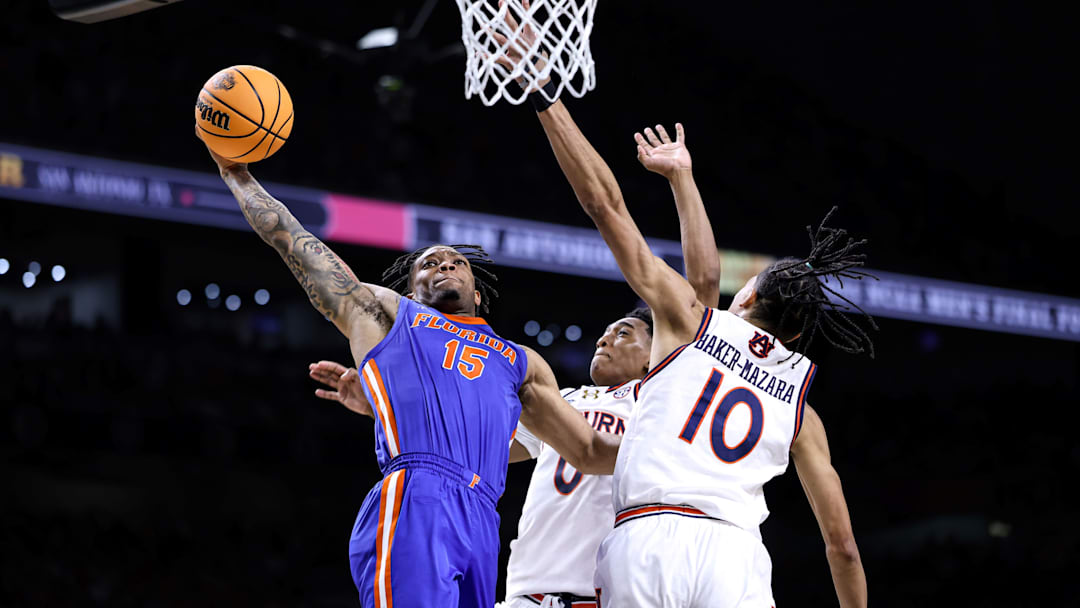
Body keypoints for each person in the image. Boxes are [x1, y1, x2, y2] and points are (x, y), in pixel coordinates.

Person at [196, 131, 621, 608]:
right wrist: (238, 178)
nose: (444, 264)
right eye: (429, 263)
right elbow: (298, 246)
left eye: (457, 262)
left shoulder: (522, 361)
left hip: (483, 517)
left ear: (477, 293)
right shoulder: (391, 316)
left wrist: (675, 450)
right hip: (418, 494)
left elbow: (586, 450)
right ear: (414, 286)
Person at [310, 123, 722, 608]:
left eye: (625, 332)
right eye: (607, 330)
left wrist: (681, 179)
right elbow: (470, 446)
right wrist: (392, 405)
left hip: (616, 592)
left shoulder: (663, 405)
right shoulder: (561, 402)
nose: (606, 337)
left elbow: (703, 291)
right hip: (527, 596)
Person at [517, 58, 874, 608]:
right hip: (735, 554)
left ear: (748, 297)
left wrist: (544, 97)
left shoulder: (694, 326)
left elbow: (605, 206)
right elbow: (843, 547)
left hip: (649, 538)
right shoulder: (803, 408)